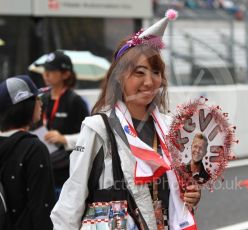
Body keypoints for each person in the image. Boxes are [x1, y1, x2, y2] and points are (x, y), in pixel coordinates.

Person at [51, 9, 200, 230]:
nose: (149, 82)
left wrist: (191, 196)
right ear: (120, 77)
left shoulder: (170, 128)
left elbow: (175, 194)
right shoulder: (97, 128)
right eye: (139, 73)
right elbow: (72, 197)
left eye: (156, 72)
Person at [0, 75, 55, 229]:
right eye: (37, 98)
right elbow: (43, 208)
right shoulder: (34, 148)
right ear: (25, 106)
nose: (41, 103)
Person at [38, 51, 90, 195]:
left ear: (66, 74)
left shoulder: (75, 101)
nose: (46, 74)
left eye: (52, 70)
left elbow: (89, 137)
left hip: (66, 173)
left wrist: (63, 139)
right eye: (45, 69)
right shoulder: (42, 99)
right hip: (44, 167)